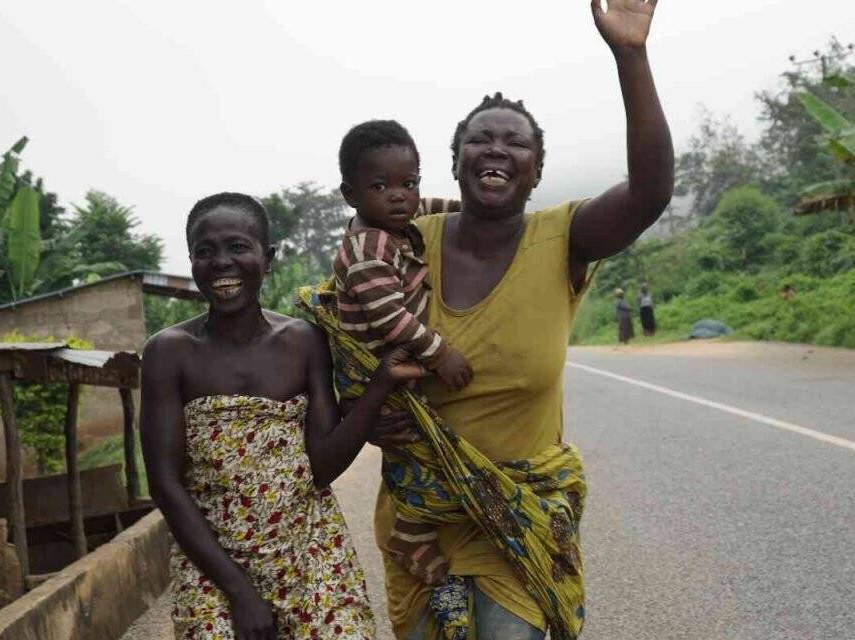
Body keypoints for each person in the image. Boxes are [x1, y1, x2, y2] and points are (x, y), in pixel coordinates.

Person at [361, 1, 674, 638]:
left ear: (536, 169)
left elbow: (650, 193)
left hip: (523, 511)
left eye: (516, 142)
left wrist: (631, 55)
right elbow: (342, 331)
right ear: (454, 162)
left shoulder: (564, 238)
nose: (496, 149)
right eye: (480, 139)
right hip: (423, 521)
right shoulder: (400, 243)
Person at [140, 192, 424, 640]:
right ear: (192, 261)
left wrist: (381, 386)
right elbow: (165, 485)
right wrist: (239, 592)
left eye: (237, 247)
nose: (221, 263)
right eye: (205, 252)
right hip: (214, 564)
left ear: (267, 258)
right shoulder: (168, 353)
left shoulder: (304, 341)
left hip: (309, 549)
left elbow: (322, 467)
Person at [330, 120, 473, 586]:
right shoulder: (366, 249)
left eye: (408, 183)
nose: (400, 196)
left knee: (422, 449)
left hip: (391, 365)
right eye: (380, 186)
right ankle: (410, 533)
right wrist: (441, 354)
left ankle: (415, 527)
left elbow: (430, 208)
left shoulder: (395, 220)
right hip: (375, 370)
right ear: (351, 195)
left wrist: (471, 210)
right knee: (423, 452)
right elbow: (391, 319)